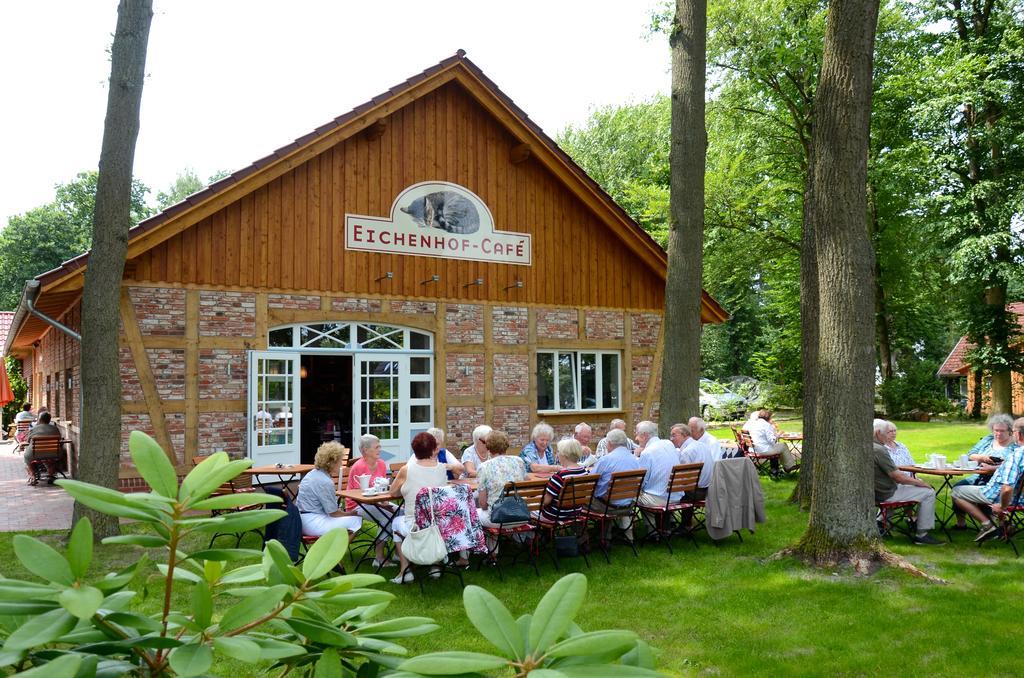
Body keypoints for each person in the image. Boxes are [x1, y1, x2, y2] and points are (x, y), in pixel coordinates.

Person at [389, 431, 451, 584]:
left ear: (414, 450)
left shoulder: (406, 469)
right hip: (438, 523)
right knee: (425, 517)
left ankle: (406, 570)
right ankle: (435, 567)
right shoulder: (442, 468)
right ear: (433, 449)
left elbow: (392, 492)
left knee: (396, 522)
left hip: (415, 525)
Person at [952, 416, 1024, 542]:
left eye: (1012, 431)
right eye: (996, 430)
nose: (998, 433)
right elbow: (970, 454)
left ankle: (988, 525)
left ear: (1017, 434)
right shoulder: (990, 441)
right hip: (1019, 498)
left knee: (956, 491)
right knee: (966, 485)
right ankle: (1002, 526)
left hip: (1000, 494)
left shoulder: (1016, 453)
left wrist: (1002, 507)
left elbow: (1006, 488)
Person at [872, 424, 943, 545]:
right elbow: (898, 477)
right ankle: (922, 534)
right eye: (886, 433)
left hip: (873, 492)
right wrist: (921, 483)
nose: (889, 436)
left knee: (908, 488)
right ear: (878, 433)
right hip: (885, 494)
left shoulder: (863, 446)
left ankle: (880, 521)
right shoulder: (879, 449)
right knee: (928, 492)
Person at [345, 434, 396, 568]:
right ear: (366, 450)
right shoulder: (358, 467)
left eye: (380, 446)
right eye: (377, 447)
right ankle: (378, 557)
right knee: (388, 517)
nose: (380, 450)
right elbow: (359, 496)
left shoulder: (381, 464)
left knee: (401, 512)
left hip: (377, 502)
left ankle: (398, 552)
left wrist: (384, 503)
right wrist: (383, 506)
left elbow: (382, 488)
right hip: (357, 505)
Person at [295, 442, 362, 538]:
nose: (340, 464)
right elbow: (333, 513)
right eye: (339, 461)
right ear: (331, 462)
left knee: (352, 518)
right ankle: (336, 552)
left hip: (301, 520)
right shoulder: (325, 481)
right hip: (313, 523)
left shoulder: (311, 474)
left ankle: (333, 549)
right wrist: (350, 513)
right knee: (356, 520)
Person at [590, 428, 642, 539]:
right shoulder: (635, 460)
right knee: (603, 496)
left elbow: (591, 481)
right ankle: (604, 535)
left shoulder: (606, 460)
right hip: (628, 505)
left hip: (607, 506)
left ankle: (584, 539)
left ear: (609, 443)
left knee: (577, 501)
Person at [476, 430, 529, 527]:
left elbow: (483, 504)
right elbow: (526, 482)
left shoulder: (484, 467)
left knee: (473, 514)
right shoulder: (519, 461)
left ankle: (488, 542)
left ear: (488, 447)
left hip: (498, 519)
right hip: (521, 516)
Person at [638, 423, 685, 518]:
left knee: (629, 496)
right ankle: (665, 525)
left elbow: (641, 482)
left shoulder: (647, 452)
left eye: (637, 434)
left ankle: (650, 530)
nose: (636, 438)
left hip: (659, 499)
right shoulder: (669, 444)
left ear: (645, 435)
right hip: (676, 496)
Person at [539, 439, 591, 522]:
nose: (557, 454)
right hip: (575, 513)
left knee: (529, 510)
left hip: (555, 515)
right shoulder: (585, 472)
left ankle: (536, 535)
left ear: (564, 455)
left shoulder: (559, 476)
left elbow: (545, 501)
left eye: (558, 451)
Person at [678, 422, 719, 500]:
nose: (671, 439)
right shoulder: (703, 445)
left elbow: (683, 478)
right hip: (708, 489)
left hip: (695, 493)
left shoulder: (687, 451)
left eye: (674, 435)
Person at [23, 412, 60, 484]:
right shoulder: (55, 429)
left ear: (39, 419)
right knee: (51, 460)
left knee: (27, 458)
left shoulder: (34, 429)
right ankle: (51, 475)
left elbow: (27, 441)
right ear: (49, 420)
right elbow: (60, 439)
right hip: (54, 453)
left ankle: (33, 476)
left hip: (35, 454)